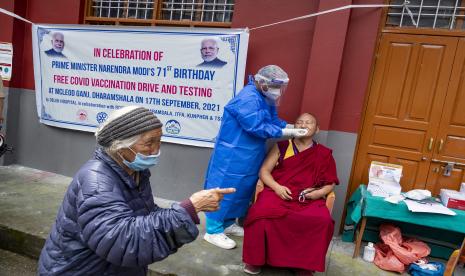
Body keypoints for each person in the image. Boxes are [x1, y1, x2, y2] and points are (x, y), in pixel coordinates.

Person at [38, 106, 235, 275]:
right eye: (149, 142)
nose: (156, 149)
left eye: (159, 140)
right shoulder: (97, 182)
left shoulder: (133, 171)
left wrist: (190, 209)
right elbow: (122, 241)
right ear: (120, 145)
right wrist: (190, 207)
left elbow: (144, 214)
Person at [203, 65, 308, 249]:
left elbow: (272, 120)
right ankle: (212, 231)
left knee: (241, 189)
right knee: (224, 189)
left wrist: (290, 126)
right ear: (262, 82)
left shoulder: (265, 96)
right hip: (232, 154)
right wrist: (285, 131)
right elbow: (256, 126)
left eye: (279, 87)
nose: (277, 91)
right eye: (274, 86)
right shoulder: (248, 98)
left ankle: (227, 225)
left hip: (250, 154)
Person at [242, 113, 339, 276]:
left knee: (322, 220)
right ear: (294, 128)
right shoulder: (281, 146)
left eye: (309, 123)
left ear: (317, 129)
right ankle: (255, 260)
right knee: (259, 214)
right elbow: (264, 171)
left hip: (307, 197)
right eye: (299, 122)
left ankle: (303, 265)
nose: (303, 125)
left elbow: (330, 182)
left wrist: (317, 194)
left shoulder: (323, 153)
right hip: (278, 193)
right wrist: (277, 187)